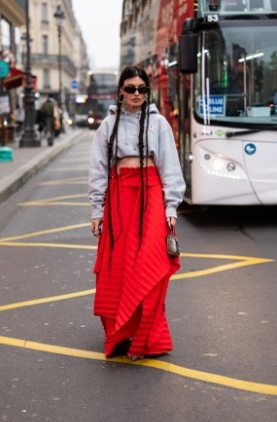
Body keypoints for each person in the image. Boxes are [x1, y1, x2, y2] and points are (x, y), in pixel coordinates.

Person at [88, 65, 186, 360]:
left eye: (141, 89)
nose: (136, 94)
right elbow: (98, 169)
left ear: (147, 92)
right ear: (120, 91)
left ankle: (147, 338)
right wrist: (97, 210)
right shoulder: (107, 126)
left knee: (149, 266)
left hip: (151, 198)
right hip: (119, 200)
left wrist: (171, 206)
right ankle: (120, 333)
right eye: (130, 88)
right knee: (118, 266)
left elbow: (170, 166)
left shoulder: (159, 124)